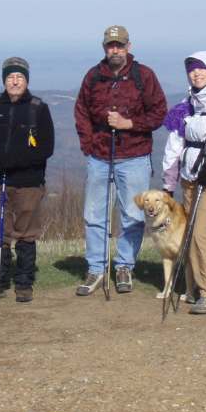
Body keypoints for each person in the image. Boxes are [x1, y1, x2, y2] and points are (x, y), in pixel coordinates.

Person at [74, 25, 167, 295]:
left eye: (120, 45)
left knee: (133, 215)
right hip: (99, 157)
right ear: (104, 47)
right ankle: (96, 268)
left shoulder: (144, 76)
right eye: (110, 45)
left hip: (135, 156)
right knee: (94, 215)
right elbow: (81, 112)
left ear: (129, 46)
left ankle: (124, 265)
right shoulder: (93, 77)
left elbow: (159, 112)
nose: (115, 50)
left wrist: (130, 123)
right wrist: (89, 145)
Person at [0, 57, 54, 303]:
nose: (14, 81)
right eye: (10, 77)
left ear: (26, 80)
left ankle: (24, 283)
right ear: (4, 80)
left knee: (26, 233)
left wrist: (16, 160)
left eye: (19, 77)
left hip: (28, 181)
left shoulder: (39, 108)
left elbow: (46, 147)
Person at [161, 51, 206, 314]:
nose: (196, 73)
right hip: (189, 179)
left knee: (203, 233)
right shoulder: (187, 104)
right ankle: (202, 288)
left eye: (201, 68)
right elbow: (174, 146)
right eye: (192, 69)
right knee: (192, 233)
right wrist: (168, 184)